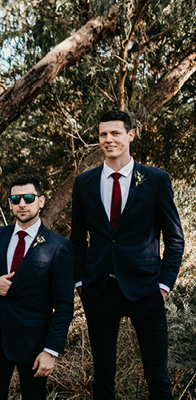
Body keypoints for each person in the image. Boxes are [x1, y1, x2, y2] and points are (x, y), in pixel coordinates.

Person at [71, 110, 184, 399]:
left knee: (158, 377)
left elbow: (174, 238)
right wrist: (80, 282)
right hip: (98, 289)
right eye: (103, 134)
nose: (108, 139)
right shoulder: (84, 183)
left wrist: (164, 285)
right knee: (103, 376)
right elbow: (77, 239)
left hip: (146, 289)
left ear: (130, 135)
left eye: (115, 133)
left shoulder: (156, 180)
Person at [0, 174, 73, 400]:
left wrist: (51, 351)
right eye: (16, 199)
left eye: (28, 198)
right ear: (10, 203)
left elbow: (64, 305)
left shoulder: (58, 246)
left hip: (34, 345)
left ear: (41, 201)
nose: (22, 204)